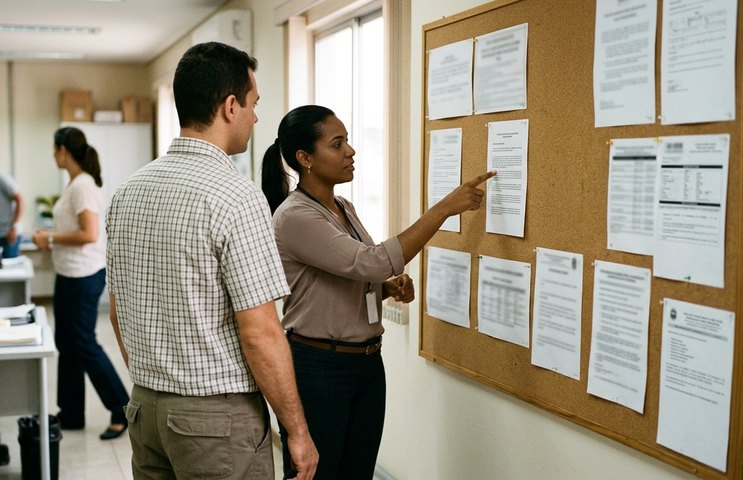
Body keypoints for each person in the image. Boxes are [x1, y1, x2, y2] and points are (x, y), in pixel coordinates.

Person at [105, 42, 317, 480]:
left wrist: (157, 381)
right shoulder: (236, 196)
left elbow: (117, 311)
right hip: (215, 422)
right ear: (230, 105)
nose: (257, 118)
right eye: (254, 104)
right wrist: (296, 431)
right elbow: (260, 332)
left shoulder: (128, 193)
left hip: (146, 409)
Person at [261, 104, 495, 480]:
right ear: (305, 158)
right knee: (318, 474)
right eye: (337, 144)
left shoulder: (343, 207)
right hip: (320, 369)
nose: (350, 151)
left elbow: (355, 273)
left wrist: (384, 288)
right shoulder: (295, 217)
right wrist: (443, 209)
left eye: (348, 141)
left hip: (366, 364)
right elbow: (370, 262)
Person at [31, 126, 130, 440]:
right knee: (67, 344)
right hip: (69, 273)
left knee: (83, 343)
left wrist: (48, 237)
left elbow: (89, 233)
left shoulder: (82, 185)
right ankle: (70, 413)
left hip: (83, 275)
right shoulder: (75, 183)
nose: (52, 155)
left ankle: (120, 408)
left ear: (62, 150)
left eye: (54, 149)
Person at [0, 172, 23, 258]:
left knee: (9, 267)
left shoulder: (2, 178)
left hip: (9, 233)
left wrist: (14, 226)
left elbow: (20, 200)